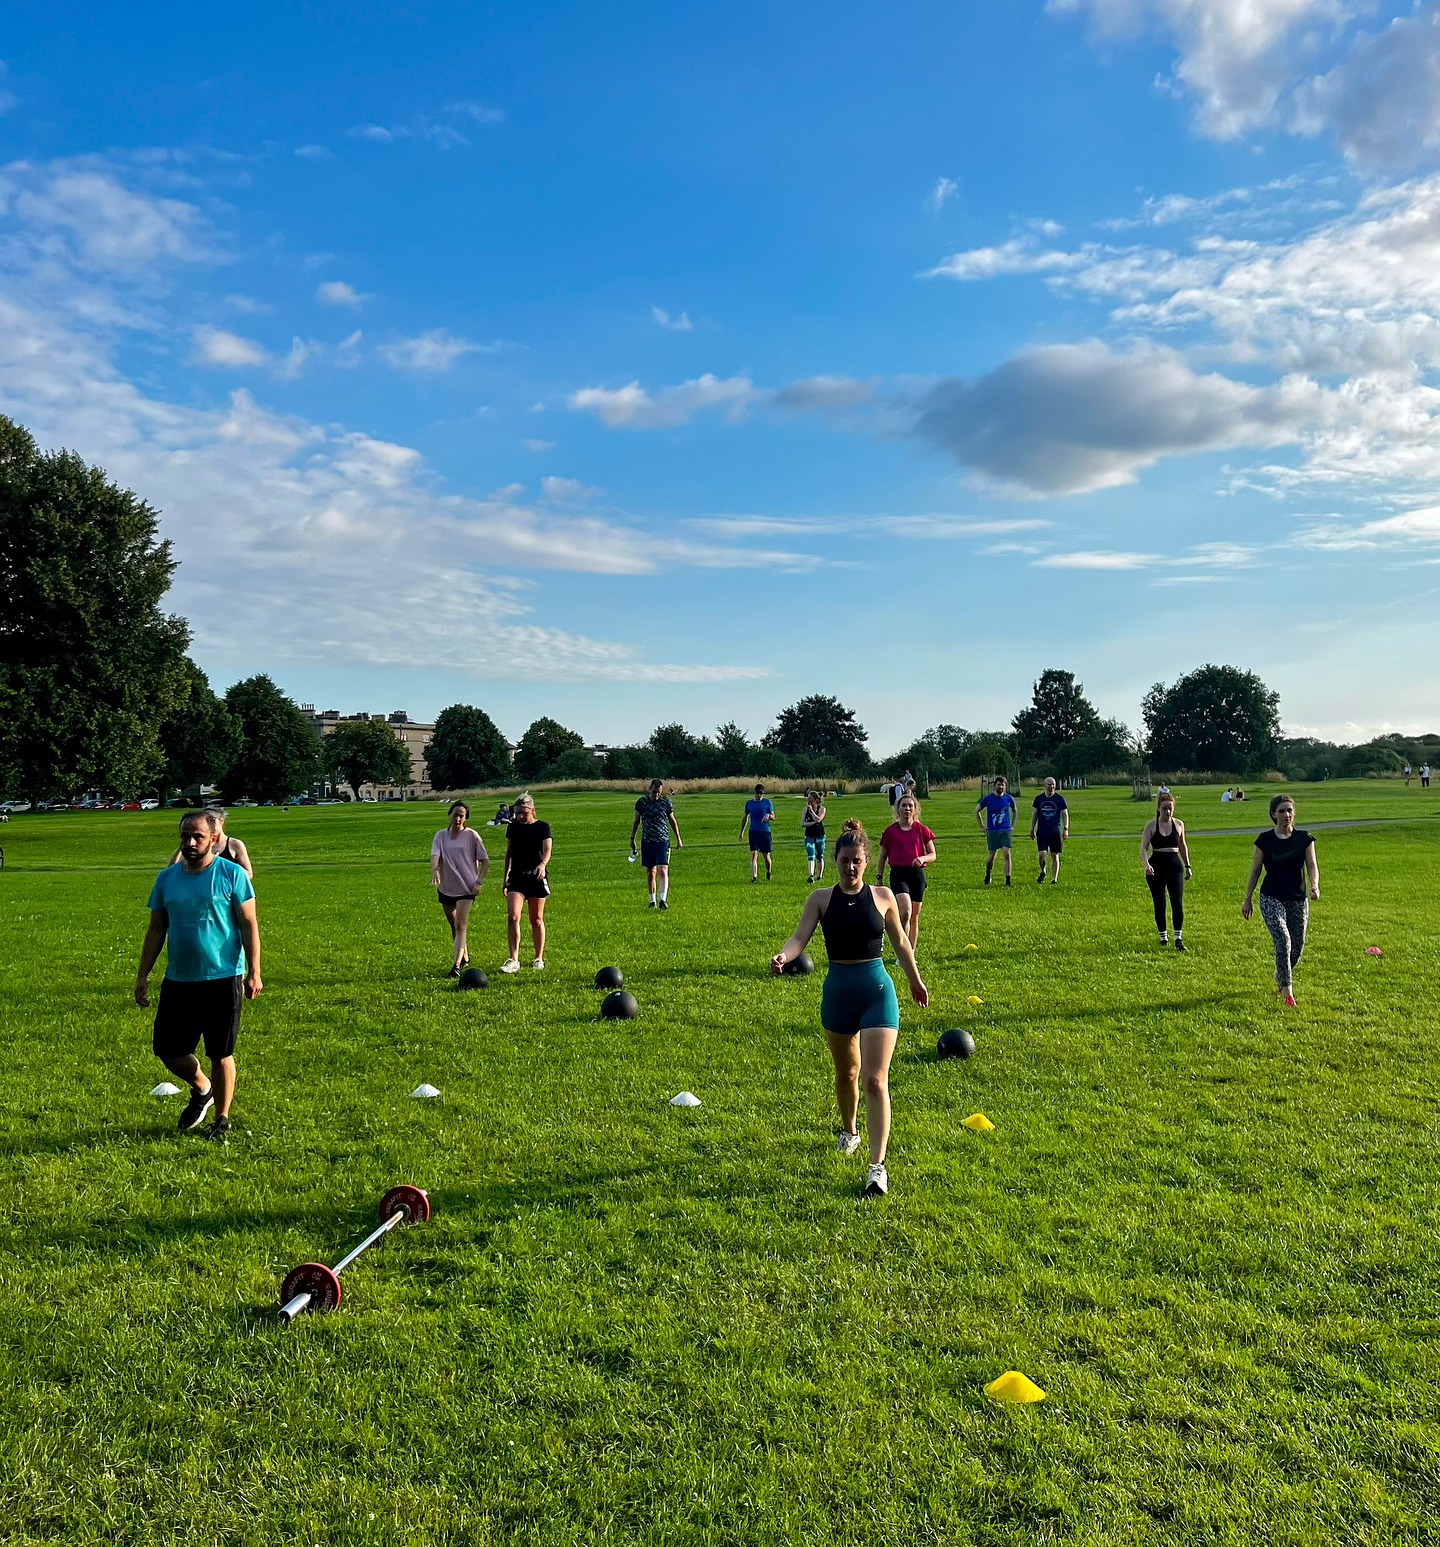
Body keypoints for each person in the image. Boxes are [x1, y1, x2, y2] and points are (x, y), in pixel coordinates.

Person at [771, 818, 928, 1199]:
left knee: (875, 1079)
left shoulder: (884, 896)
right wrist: (784, 955)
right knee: (847, 1075)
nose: (851, 867)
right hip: (838, 994)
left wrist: (914, 979)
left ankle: (877, 1168)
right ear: (835, 860)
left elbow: (902, 945)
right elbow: (799, 937)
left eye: (857, 860)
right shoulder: (821, 900)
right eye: (844, 861)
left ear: (866, 860)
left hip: (877, 991)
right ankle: (849, 1131)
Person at [135, 810, 261, 1141]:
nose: (190, 843)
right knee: (167, 1049)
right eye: (185, 837)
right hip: (179, 979)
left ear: (214, 839)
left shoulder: (233, 875)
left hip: (223, 977)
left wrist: (254, 972)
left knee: (220, 1052)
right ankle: (201, 1087)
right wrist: (142, 975)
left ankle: (221, 1119)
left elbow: (249, 924)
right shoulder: (167, 878)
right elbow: (156, 928)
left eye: (198, 837)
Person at [1242, 793, 1319, 1007]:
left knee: (1297, 946)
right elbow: (1256, 870)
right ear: (1273, 815)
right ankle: (1288, 991)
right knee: (1283, 940)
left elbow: (1312, 866)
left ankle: (1281, 975)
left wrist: (1315, 885)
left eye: (1290, 810)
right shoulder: (1265, 840)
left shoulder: (1305, 839)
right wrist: (1248, 899)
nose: (1287, 814)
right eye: (1282, 811)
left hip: (1297, 899)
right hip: (1271, 897)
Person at [430, 801, 489, 976]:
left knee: (460, 924)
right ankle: (464, 956)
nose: (457, 818)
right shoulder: (440, 836)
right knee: (453, 925)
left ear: (466, 819)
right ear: (449, 815)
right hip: (446, 886)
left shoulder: (472, 836)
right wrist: (435, 870)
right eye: (455, 814)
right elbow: (435, 855)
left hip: (467, 887)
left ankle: (456, 966)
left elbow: (485, 862)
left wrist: (478, 882)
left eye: (461, 816)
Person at [876, 793, 937, 949]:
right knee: (905, 912)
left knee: (914, 916)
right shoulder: (890, 831)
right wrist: (879, 878)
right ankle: (902, 949)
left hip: (917, 875)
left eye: (910, 805)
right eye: (904, 805)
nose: (907, 808)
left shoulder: (922, 830)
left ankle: (911, 951)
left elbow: (932, 854)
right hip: (898, 874)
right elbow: (883, 856)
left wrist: (922, 859)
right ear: (898, 809)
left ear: (915, 809)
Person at [500, 793, 551, 973]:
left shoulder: (543, 827)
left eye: (523, 813)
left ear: (532, 810)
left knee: (536, 920)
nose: (520, 816)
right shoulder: (513, 829)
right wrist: (505, 877)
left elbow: (547, 851)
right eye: (517, 813)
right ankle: (514, 959)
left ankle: (538, 958)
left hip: (536, 878)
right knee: (513, 916)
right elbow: (509, 854)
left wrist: (542, 865)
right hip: (517, 878)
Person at [1140, 792, 1192, 949]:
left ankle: (1178, 938)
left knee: (1177, 902)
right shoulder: (1151, 826)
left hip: (1174, 866)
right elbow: (1143, 848)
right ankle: (1163, 937)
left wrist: (1188, 865)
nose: (1167, 812)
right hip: (1156, 866)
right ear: (1158, 809)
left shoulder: (1179, 825)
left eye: (1170, 809)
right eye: (1164, 809)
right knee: (1160, 903)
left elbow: (1183, 846)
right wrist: (1146, 865)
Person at [630, 777, 683, 908]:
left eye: (659, 792)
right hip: (647, 841)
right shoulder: (642, 802)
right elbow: (636, 821)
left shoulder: (666, 802)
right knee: (650, 872)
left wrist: (678, 838)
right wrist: (632, 838)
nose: (656, 795)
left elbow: (672, 820)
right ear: (650, 789)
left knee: (663, 870)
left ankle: (663, 900)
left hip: (663, 841)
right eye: (654, 792)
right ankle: (652, 901)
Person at [168, 807, 254, 880]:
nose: (210, 826)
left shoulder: (235, 844)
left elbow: (248, 873)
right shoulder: (197, 845)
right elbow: (171, 869)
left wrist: (220, 874)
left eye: (212, 822)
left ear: (221, 821)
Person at [975, 776, 1017, 886]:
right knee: (992, 856)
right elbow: (977, 811)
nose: (1001, 787)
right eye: (999, 784)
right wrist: (982, 826)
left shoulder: (1009, 798)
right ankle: (988, 874)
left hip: (1005, 830)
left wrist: (1012, 825)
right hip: (993, 831)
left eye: (1003, 785)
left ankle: (1008, 881)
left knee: (1007, 854)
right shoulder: (989, 799)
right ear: (995, 786)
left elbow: (1014, 810)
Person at [1030, 776, 1070, 883]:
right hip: (1042, 831)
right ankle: (1043, 871)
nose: (1051, 787)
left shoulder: (1060, 799)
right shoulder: (1039, 799)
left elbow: (1065, 814)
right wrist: (1032, 829)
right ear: (1045, 785)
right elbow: (1035, 815)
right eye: (1049, 784)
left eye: (1053, 784)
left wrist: (1066, 828)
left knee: (1054, 855)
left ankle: (1054, 878)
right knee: (1042, 854)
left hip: (1055, 831)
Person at [740, 782, 776, 881]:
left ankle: (768, 871)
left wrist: (768, 816)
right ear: (755, 792)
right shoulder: (749, 804)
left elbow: (773, 816)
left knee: (766, 855)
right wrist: (742, 833)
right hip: (753, 832)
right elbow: (745, 818)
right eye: (758, 793)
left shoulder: (767, 803)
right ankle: (754, 877)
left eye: (762, 793)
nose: (760, 795)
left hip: (765, 831)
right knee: (754, 854)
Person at [802, 789, 828, 882]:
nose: (808, 800)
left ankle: (820, 875)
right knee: (811, 855)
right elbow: (803, 823)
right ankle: (811, 875)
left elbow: (818, 819)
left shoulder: (822, 809)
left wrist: (812, 811)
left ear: (816, 800)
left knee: (819, 856)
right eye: (808, 798)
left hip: (820, 835)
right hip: (809, 835)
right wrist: (812, 823)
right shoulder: (805, 810)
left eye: (810, 799)